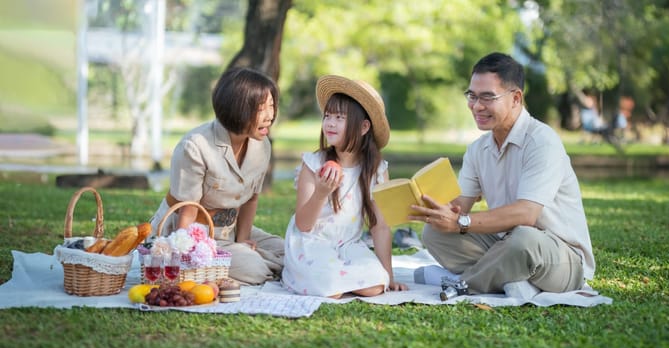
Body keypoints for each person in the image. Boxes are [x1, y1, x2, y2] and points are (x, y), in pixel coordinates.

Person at [409, 52, 595, 296]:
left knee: (523, 239)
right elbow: (459, 206)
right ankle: (511, 279)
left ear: (516, 98)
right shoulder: (478, 150)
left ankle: (461, 283)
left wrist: (461, 222)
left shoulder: (542, 141)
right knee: (435, 233)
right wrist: (431, 206)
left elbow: (526, 214)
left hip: (559, 256)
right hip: (503, 245)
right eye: (472, 96)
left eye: (487, 97)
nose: (476, 106)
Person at [148, 67, 285, 285]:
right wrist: (183, 257)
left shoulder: (262, 145)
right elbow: (188, 211)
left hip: (229, 230)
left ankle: (248, 260)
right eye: (261, 108)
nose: (270, 116)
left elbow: (252, 198)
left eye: (271, 106)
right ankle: (251, 264)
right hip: (192, 231)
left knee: (288, 250)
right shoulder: (195, 146)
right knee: (256, 270)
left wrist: (242, 240)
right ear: (238, 108)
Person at [282, 75, 407, 298]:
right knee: (331, 288)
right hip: (312, 242)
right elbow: (303, 225)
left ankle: (340, 276)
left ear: (363, 127)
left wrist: (389, 276)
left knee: (376, 284)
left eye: (340, 117)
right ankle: (317, 274)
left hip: (348, 244)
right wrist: (321, 193)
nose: (329, 123)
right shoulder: (313, 164)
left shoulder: (376, 169)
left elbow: (380, 226)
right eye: (327, 116)